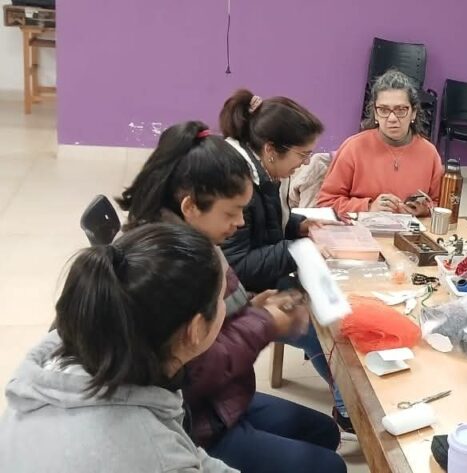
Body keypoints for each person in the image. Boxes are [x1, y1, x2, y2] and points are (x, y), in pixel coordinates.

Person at [117, 121, 349, 472]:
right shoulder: (164, 270)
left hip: (220, 399)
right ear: (190, 206)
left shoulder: (197, 243)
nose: (241, 222)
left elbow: (213, 328)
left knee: (324, 432)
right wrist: (263, 323)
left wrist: (253, 308)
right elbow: (191, 374)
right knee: (329, 467)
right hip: (193, 422)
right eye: (231, 212)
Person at [0, 224, 237, 473]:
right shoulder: (153, 457)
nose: (225, 305)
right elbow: (160, 457)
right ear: (196, 329)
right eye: (221, 299)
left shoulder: (74, 346)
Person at [218, 89, 353, 429]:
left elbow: (270, 222)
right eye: (302, 155)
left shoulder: (263, 171)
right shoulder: (238, 183)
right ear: (270, 149)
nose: (305, 164)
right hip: (237, 292)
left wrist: (300, 225)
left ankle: (347, 401)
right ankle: (349, 412)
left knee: (328, 304)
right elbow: (239, 267)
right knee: (317, 322)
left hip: (258, 275)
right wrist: (299, 250)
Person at [317, 69, 443, 217]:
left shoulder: (429, 153)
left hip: (411, 229)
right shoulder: (353, 148)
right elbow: (326, 202)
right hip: (361, 228)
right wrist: (368, 207)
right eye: (383, 110)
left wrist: (425, 210)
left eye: (401, 110)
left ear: (413, 113)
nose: (392, 118)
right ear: (375, 114)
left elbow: (440, 204)